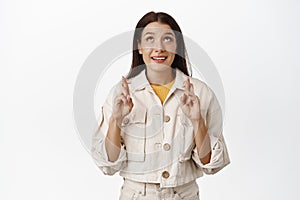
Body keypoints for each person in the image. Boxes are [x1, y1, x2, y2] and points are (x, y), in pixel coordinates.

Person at [91, 11, 230, 200]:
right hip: (137, 194)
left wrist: (197, 121)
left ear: (177, 46)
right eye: (149, 39)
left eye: (167, 39)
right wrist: (116, 120)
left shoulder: (200, 93)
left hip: (183, 194)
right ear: (139, 47)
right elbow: (109, 164)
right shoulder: (121, 94)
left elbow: (210, 164)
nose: (159, 48)